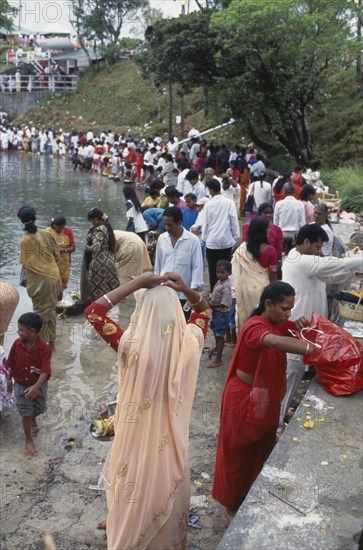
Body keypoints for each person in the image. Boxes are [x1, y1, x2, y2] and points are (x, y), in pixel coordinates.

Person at [85, 272, 210, 549]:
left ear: (143, 313)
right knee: (164, 488)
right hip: (170, 435)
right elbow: (204, 310)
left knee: (131, 485)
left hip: (136, 432)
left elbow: (93, 312)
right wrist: (186, 289)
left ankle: (126, 531)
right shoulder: (190, 342)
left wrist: (137, 284)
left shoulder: (130, 347)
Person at [212, 282, 314, 521]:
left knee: (261, 446)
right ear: (268, 305)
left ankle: (251, 492)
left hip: (262, 397)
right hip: (242, 397)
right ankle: (231, 504)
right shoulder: (253, 327)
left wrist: (301, 327)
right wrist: (312, 349)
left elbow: (291, 331)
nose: (289, 314)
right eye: (284, 308)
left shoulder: (278, 323)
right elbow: (271, 341)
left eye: (291, 309)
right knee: (237, 451)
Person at [278, 224, 363, 434]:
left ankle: (282, 412)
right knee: (291, 374)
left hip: (307, 328)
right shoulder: (301, 261)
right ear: (306, 243)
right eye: (317, 247)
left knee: (295, 374)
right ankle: (276, 425)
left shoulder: (304, 262)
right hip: (297, 327)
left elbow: (333, 275)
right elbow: (335, 265)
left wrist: (355, 274)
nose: (318, 251)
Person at [6, 313, 51, 456]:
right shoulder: (16, 344)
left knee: (40, 408)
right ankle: (29, 441)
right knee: (26, 414)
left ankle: (33, 420)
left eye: (20, 329)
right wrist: (9, 380)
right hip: (20, 385)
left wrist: (36, 387)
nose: (18, 332)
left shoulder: (44, 349)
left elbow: (45, 372)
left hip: (39, 385)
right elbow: (10, 363)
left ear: (32, 332)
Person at [17, 206, 62, 349]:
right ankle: (52, 343)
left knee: (40, 313)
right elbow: (57, 256)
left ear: (22, 221)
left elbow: (26, 263)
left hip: (39, 280)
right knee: (51, 309)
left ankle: (40, 346)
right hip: (54, 276)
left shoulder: (25, 241)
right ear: (35, 218)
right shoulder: (46, 233)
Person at [233, 218, 278, 332]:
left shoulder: (242, 249)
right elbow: (273, 275)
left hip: (244, 288)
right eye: (268, 229)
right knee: (261, 319)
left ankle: (245, 338)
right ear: (264, 231)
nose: (269, 231)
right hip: (262, 289)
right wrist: (274, 293)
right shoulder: (271, 251)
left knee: (247, 317)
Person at [154, 207, 204, 310]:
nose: (166, 228)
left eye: (170, 225)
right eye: (165, 224)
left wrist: (193, 290)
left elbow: (197, 265)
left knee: (182, 323)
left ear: (179, 222)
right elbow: (158, 264)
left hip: (183, 293)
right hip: (164, 289)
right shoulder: (162, 239)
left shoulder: (193, 240)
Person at [202, 179, 240, 291]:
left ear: (211, 190)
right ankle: (226, 290)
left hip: (212, 241)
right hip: (226, 241)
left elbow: (206, 223)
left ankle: (214, 292)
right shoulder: (229, 203)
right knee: (226, 269)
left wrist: (204, 238)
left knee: (213, 270)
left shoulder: (208, 205)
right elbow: (234, 220)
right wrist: (235, 236)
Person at [85, 208, 119, 301]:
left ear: (96, 219)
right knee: (108, 290)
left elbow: (96, 247)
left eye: (91, 221)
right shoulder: (107, 227)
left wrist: (88, 248)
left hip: (100, 263)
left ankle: (97, 312)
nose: (91, 223)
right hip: (109, 261)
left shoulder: (98, 229)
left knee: (98, 291)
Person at [207, 260, 232, 368]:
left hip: (221, 314)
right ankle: (217, 348)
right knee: (215, 329)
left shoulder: (226, 285)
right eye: (218, 272)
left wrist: (211, 305)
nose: (219, 275)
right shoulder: (220, 282)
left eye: (222, 272)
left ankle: (218, 358)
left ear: (229, 273)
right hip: (216, 312)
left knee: (220, 334)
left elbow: (225, 303)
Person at [46, 215, 75, 298]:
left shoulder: (68, 232)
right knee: (51, 284)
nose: (60, 230)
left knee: (61, 285)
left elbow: (73, 247)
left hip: (64, 264)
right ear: (53, 225)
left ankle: (59, 304)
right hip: (51, 263)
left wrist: (65, 250)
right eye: (58, 228)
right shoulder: (47, 232)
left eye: (62, 228)